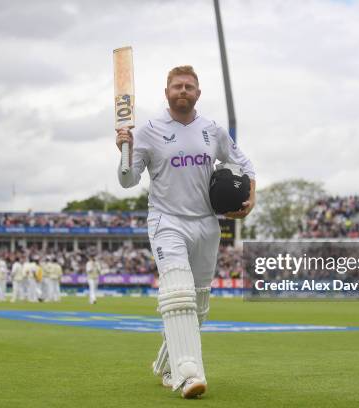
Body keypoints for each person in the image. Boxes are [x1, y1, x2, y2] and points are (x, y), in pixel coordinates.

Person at [116, 65, 256, 398]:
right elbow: (127, 181)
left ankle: (165, 363)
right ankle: (187, 374)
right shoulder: (148, 131)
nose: (183, 90)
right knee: (178, 293)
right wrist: (124, 150)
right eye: (177, 86)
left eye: (189, 86)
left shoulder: (213, 130)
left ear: (198, 93)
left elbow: (245, 166)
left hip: (207, 224)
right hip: (167, 220)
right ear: (167, 93)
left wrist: (250, 198)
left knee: (199, 306)